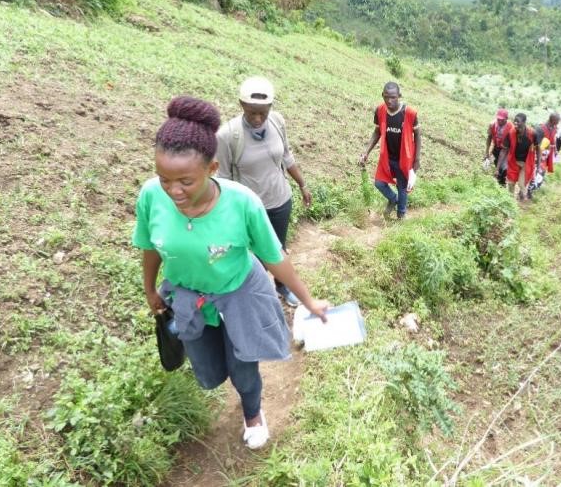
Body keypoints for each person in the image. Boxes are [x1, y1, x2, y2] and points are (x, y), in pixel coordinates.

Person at [132, 96, 329, 450]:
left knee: (243, 367)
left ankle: (252, 413)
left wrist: (309, 301)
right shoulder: (151, 196)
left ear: (211, 169)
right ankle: (230, 380)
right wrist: (149, 290)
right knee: (208, 374)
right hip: (189, 295)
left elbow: (275, 258)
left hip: (240, 292)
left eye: (185, 182)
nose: (174, 191)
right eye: (164, 179)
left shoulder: (241, 203)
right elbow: (150, 246)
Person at [216, 76, 311, 307]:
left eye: (263, 112)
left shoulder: (277, 122)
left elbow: (287, 156)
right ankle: (257, 296)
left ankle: (282, 286)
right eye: (252, 113)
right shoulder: (227, 135)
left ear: (270, 107)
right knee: (254, 257)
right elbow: (224, 179)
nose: (258, 118)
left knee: (278, 249)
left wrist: (302, 184)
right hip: (249, 209)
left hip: (280, 201)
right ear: (242, 106)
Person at [358, 82, 421, 219]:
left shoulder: (409, 113)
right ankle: (393, 199)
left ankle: (401, 215)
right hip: (387, 156)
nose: (389, 100)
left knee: (402, 187)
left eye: (393, 97)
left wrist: (417, 159)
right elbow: (377, 132)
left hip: (404, 158)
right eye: (386, 97)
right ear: (382, 95)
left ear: (399, 96)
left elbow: (417, 135)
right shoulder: (380, 111)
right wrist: (366, 152)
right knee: (379, 183)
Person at [499, 112, 541, 201]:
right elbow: (504, 150)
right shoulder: (510, 133)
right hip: (514, 161)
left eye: (518, 123)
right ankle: (510, 203)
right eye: (515, 122)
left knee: (522, 184)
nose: (516, 124)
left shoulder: (532, 134)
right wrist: (497, 168)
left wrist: (538, 166)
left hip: (526, 163)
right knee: (510, 183)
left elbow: (538, 149)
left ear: (524, 122)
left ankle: (523, 197)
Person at [484, 109, 511, 184]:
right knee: (495, 164)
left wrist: (497, 169)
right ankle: (499, 181)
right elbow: (489, 138)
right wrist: (487, 152)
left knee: (503, 169)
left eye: (502, 120)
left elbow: (504, 150)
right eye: (498, 119)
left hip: (506, 151)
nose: (500, 121)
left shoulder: (510, 129)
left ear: (506, 119)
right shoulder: (492, 124)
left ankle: (502, 184)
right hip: (496, 147)